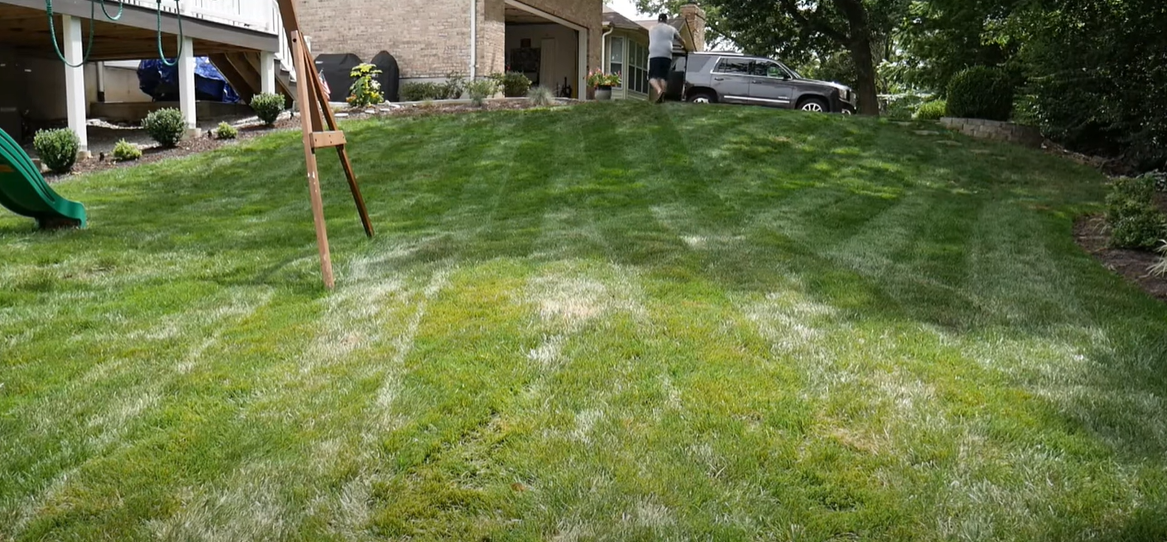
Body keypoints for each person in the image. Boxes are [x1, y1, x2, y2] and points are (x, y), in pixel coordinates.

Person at [648, 13, 680, 103]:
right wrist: (685, 46)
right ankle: (663, 96)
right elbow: (681, 39)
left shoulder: (651, 29)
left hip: (654, 54)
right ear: (666, 20)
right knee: (663, 77)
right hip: (666, 54)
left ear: (658, 20)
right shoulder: (672, 29)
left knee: (652, 77)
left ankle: (659, 90)